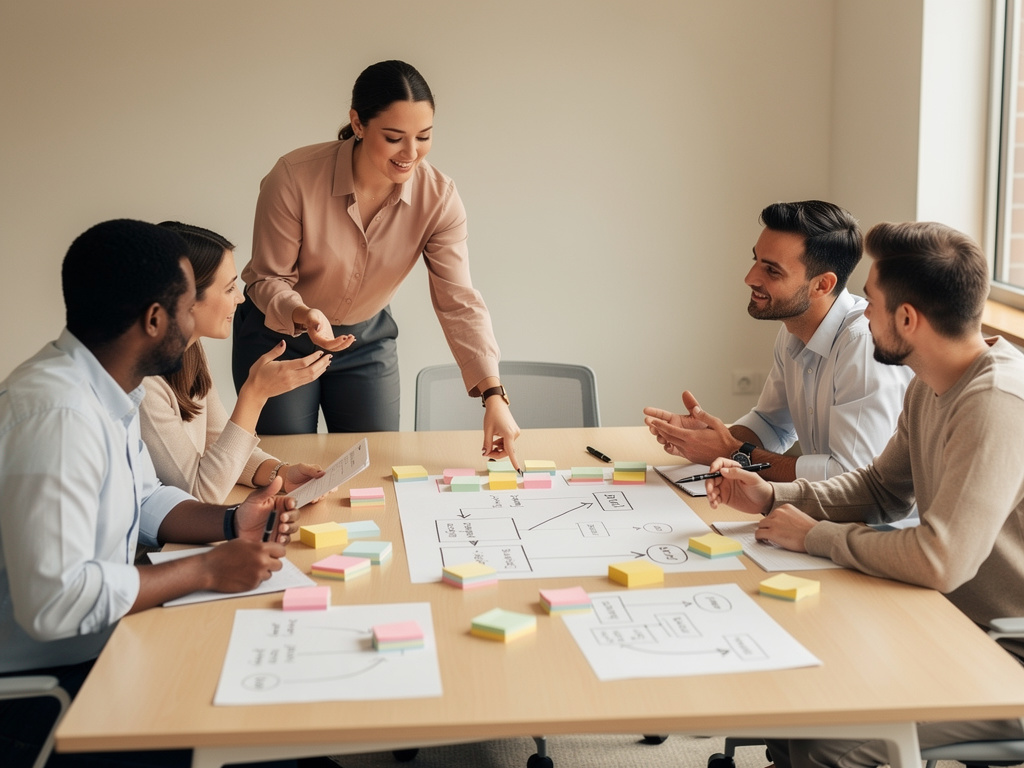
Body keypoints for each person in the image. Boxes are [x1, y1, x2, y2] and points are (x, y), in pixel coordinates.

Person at [705, 221, 1024, 768]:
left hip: (1005, 652)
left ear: (907, 318)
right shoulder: (932, 380)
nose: (861, 312)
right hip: (947, 624)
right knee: (801, 694)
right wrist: (773, 497)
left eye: (871, 301)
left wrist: (818, 536)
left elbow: (940, 558)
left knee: (827, 738)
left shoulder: (995, 401)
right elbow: (881, 489)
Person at [0, 220, 302, 767]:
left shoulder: (105, 388)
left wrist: (233, 522)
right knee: (249, 716)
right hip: (49, 682)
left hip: (104, 637)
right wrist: (205, 571)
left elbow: (145, 499)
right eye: (190, 309)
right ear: (155, 320)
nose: (195, 324)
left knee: (269, 709)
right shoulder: (59, 416)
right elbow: (54, 602)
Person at [234, 59, 520, 468]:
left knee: (371, 467)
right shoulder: (293, 178)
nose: (411, 153)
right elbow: (266, 278)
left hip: (365, 342)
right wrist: (304, 313)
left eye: (424, 136)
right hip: (279, 337)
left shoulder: (439, 199)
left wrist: (494, 395)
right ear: (358, 123)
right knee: (282, 467)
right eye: (394, 137)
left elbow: (459, 300)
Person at [644, 200, 912, 483]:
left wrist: (733, 452)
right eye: (756, 260)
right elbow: (772, 424)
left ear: (822, 285)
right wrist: (706, 439)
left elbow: (849, 476)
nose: (750, 278)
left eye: (772, 270)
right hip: (825, 511)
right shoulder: (794, 329)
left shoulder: (862, 344)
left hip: (873, 524)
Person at [141, 221, 335, 503]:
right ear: (185, 298)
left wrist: (281, 474)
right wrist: (254, 395)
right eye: (229, 288)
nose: (240, 298)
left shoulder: (190, 352)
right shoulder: (144, 384)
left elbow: (219, 446)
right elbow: (201, 494)